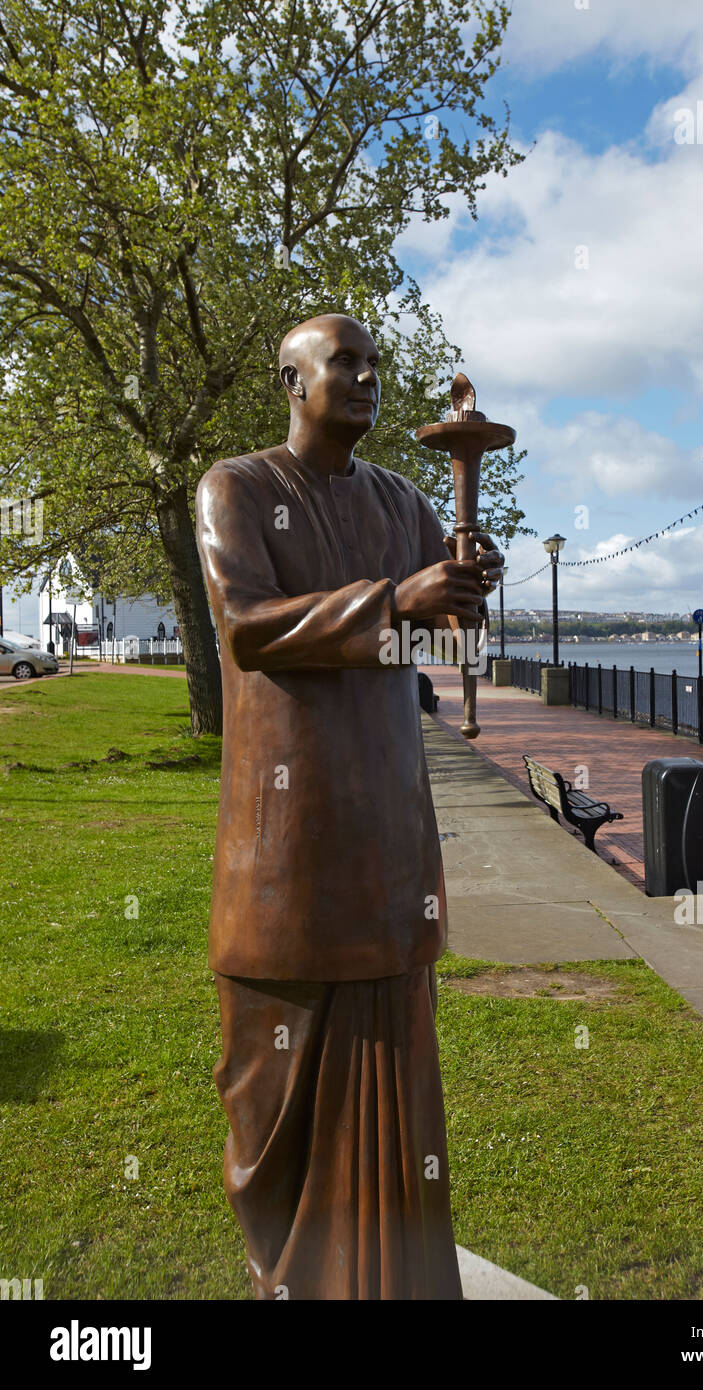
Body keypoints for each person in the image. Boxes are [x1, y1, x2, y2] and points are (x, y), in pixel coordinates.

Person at [195, 313, 502, 1300]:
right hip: (284, 849)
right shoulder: (234, 489)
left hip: (384, 840)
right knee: (268, 1095)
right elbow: (245, 628)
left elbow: (447, 645)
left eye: (375, 364)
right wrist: (397, 602)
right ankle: (288, 1279)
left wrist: (465, 588)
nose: (366, 378)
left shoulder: (402, 499)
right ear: (291, 380)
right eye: (345, 364)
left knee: (393, 1084)